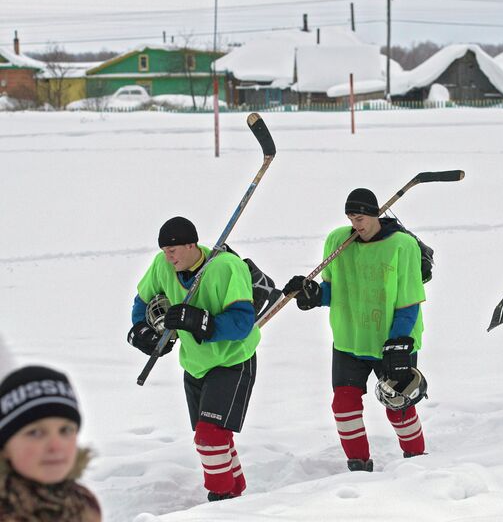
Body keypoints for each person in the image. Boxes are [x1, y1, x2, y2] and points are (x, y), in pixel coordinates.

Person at [282, 188, 427, 472]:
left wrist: (399, 340)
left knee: (398, 406)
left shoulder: (402, 245)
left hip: (392, 342)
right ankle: (358, 466)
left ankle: (417, 462)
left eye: (360, 218)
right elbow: (333, 290)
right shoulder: (339, 241)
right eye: (351, 218)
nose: (356, 225)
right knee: (343, 405)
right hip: (349, 340)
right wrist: (311, 294)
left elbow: (409, 300)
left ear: (375, 214)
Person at [127, 216, 259, 501]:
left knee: (209, 436)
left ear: (191, 245)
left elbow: (243, 322)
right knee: (214, 437)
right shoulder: (162, 266)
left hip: (233, 360)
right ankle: (237, 495)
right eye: (164, 250)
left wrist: (202, 322)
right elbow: (141, 301)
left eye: (173, 250)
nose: (168, 256)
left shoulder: (226, 267)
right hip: (195, 364)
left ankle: (221, 498)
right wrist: (142, 331)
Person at [0, 365, 101, 521]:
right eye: (35, 433)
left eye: (65, 430)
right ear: (4, 446)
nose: (56, 446)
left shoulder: (83, 503)